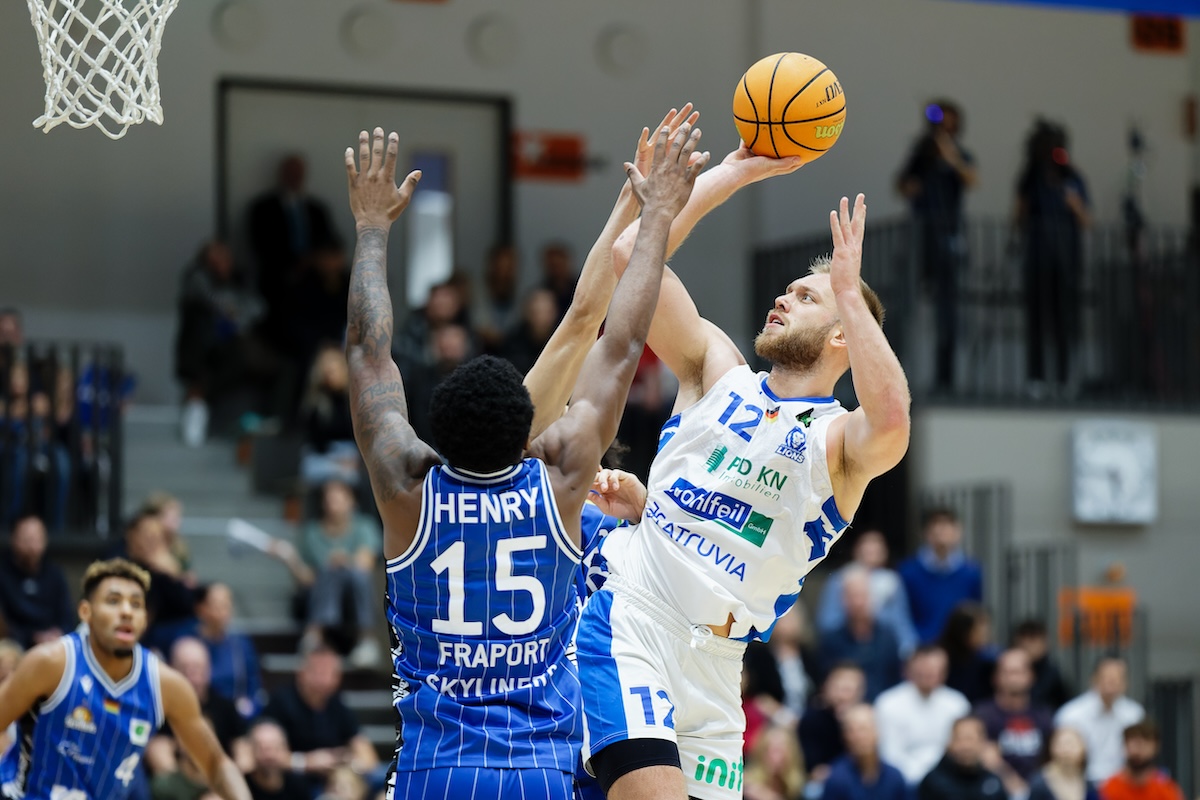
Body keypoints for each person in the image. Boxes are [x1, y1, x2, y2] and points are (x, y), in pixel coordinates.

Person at [344, 121, 708, 799]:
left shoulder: (406, 484)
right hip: (537, 772)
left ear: (434, 437)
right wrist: (656, 214)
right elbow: (621, 341)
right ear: (530, 436)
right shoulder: (564, 480)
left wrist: (371, 227)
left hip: (437, 772)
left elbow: (368, 353)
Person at [578, 128, 910, 798]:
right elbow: (627, 255)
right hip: (634, 617)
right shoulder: (716, 370)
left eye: (805, 296)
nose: (784, 298)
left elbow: (894, 418)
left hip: (719, 665)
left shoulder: (842, 444)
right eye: (787, 290)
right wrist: (732, 174)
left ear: (844, 331)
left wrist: (848, 289)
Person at [0, 558, 250, 799]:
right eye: (113, 601)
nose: (127, 611)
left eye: (136, 604)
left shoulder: (165, 685)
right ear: (86, 612)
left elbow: (216, 764)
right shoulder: (51, 663)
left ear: (145, 619)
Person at [895, 99, 978, 391]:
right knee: (911, 304)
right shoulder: (921, 153)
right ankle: (903, 373)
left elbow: (971, 178)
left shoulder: (959, 154)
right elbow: (902, 184)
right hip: (921, 238)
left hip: (950, 236)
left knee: (948, 310)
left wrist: (950, 155)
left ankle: (946, 378)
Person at [1014, 119, 1091, 395]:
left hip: (1066, 260)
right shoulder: (1031, 178)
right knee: (1036, 319)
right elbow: (1019, 216)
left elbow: (1086, 220)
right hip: (1037, 258)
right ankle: (1036, 379)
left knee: (1063, 320)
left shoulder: (1072, 177)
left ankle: (1061, 379)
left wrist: (1074, 204)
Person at [261, 647, 377, 796]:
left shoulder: (337, 705)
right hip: (293, 781)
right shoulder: (281, 702)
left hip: (332, 780)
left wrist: (348, 762)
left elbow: (368, 755)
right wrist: (307, 762)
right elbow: (265, 756)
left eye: (331, 673)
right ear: (301, 673)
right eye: (319, 671)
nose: (325, 679)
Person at [296, 480, 383, 666]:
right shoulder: (312, 532)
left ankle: (366, 639)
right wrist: (289, 558)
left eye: (338, 498)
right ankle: (315, 635)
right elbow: (307, 578)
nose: (332, 504)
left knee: (356, 573)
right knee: (329, 571)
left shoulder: (364, 527)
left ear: (351, 501)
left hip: (354, 591)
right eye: (328, 499)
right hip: (322, 591)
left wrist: (344, 560)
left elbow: (365, 563)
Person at [874, 644, 970, 787]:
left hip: (950, 780)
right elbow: (889, 755)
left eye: (935, 668)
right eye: (923, 667)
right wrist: (924, 778)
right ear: (909, 669)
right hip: (905, 781)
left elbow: (963, 749)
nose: (929, 672)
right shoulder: (887, 703)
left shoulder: (958, 704)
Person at [816, 530, 917, 659]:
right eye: (867, 547)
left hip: (882, 649)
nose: (871, 551)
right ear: (856, 550)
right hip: (846, 648)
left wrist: (908, 653)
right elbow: (827, 622)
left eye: (876, 547)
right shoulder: (839, 579)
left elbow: (901, 623)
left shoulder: (893, 581)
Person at [973, 647, 1055, 793]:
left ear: (1031, 676)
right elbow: (984, 757)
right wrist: (1015, 786)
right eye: (1007, 672)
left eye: (1018, 672)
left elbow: (1051, 758)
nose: (1013, 678)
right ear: (996, 677)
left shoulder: (1044, 714)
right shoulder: (982, 714)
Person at [899, 508, 983, 645]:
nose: (941, 533)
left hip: (960, 649)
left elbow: (975, 612)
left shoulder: (971, 572)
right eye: (935, 527)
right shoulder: (908, 572)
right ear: (925, 533)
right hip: (922, 648)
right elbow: (902, 615)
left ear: (958, 531)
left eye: (946, 526)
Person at [1056, 657, 1145, 783]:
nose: (1112, 682)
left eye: (1117, 678)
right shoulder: (1071, 715)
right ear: (1094, 679)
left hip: (1123, 784)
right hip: (1081, 783)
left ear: (1126, 683)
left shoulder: (1134, 714)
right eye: (1107, 677)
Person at [818, 567, 902, 701]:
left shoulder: (888, 637)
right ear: (842, 600)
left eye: (862, 596)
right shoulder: (830, 639)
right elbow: (824, 684)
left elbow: (896, 681)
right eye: (851, 596)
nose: (858, 603)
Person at [190, 584, 265, 720]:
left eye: (226, 605)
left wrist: (248, 711)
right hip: (196, 713)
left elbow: (253, 687)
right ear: (200, 608)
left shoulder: (241, 643)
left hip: (234, 715)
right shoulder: (188, 642)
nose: (221, 612)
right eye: (215, 605)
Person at [0, 515, 75, 649]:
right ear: (13, 539)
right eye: (27, 540)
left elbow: (67, 617)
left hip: (54, 646)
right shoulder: (3, 574)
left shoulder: (54, 573)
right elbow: (4, 624)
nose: (33, 547)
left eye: (38, 539)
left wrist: (58, 633)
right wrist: (32, 637)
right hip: (14, 647)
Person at [799, 663, 866, 791]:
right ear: (826, 687)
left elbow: (870, 765)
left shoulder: (867, 719)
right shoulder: (812, 719)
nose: (844, 696)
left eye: (851, 689)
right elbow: (814, 771)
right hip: (823, 784)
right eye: (840, 688)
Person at [822, 704, 906, 800]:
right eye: (852, 731)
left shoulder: (894, 777)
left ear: (877, 732)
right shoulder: (836, 779)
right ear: (844, 737)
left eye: (864, 729)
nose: (859, 736)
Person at [918, 716, 1007, 800]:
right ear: (949, 743)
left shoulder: (993, 781)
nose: (965, 746)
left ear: (983, 743)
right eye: (959, 739)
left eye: (970, 739)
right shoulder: (933, 782)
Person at [1098, 722, 1184, 800]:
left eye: (1145, 741)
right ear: (1124, 745)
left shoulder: (1166, 788)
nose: (1138, 748)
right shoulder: (1108, 789)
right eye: (1133, 741)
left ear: (1156, 746)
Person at [938, 602, 997, 704]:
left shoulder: (988, 661)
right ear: (963, 632)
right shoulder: (940, 659)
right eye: (980, 630)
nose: (986, 634)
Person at [242, 719, 311, 800]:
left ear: (286, 748)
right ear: (251, 751)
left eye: (275, 748)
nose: (269, 755)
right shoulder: (242, 787)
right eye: (262, 749)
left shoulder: (298, 785)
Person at [1012, 618, 1072, 711]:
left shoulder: (1052, 675)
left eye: (1032, 639)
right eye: (1023, 639)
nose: (1026, 644)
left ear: (1045, 642)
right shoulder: (1007, 667)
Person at [1029, 726, 1101, 800]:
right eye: (1062, 744)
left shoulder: (1089, 785)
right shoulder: (1039, 784)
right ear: (1052, 748)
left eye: (1072, 745)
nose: (1067, 750)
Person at [742, 724, 805, 800]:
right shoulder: (747, 785)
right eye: (770, 750)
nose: (775, 757)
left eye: (779, 751)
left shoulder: (797, 788)